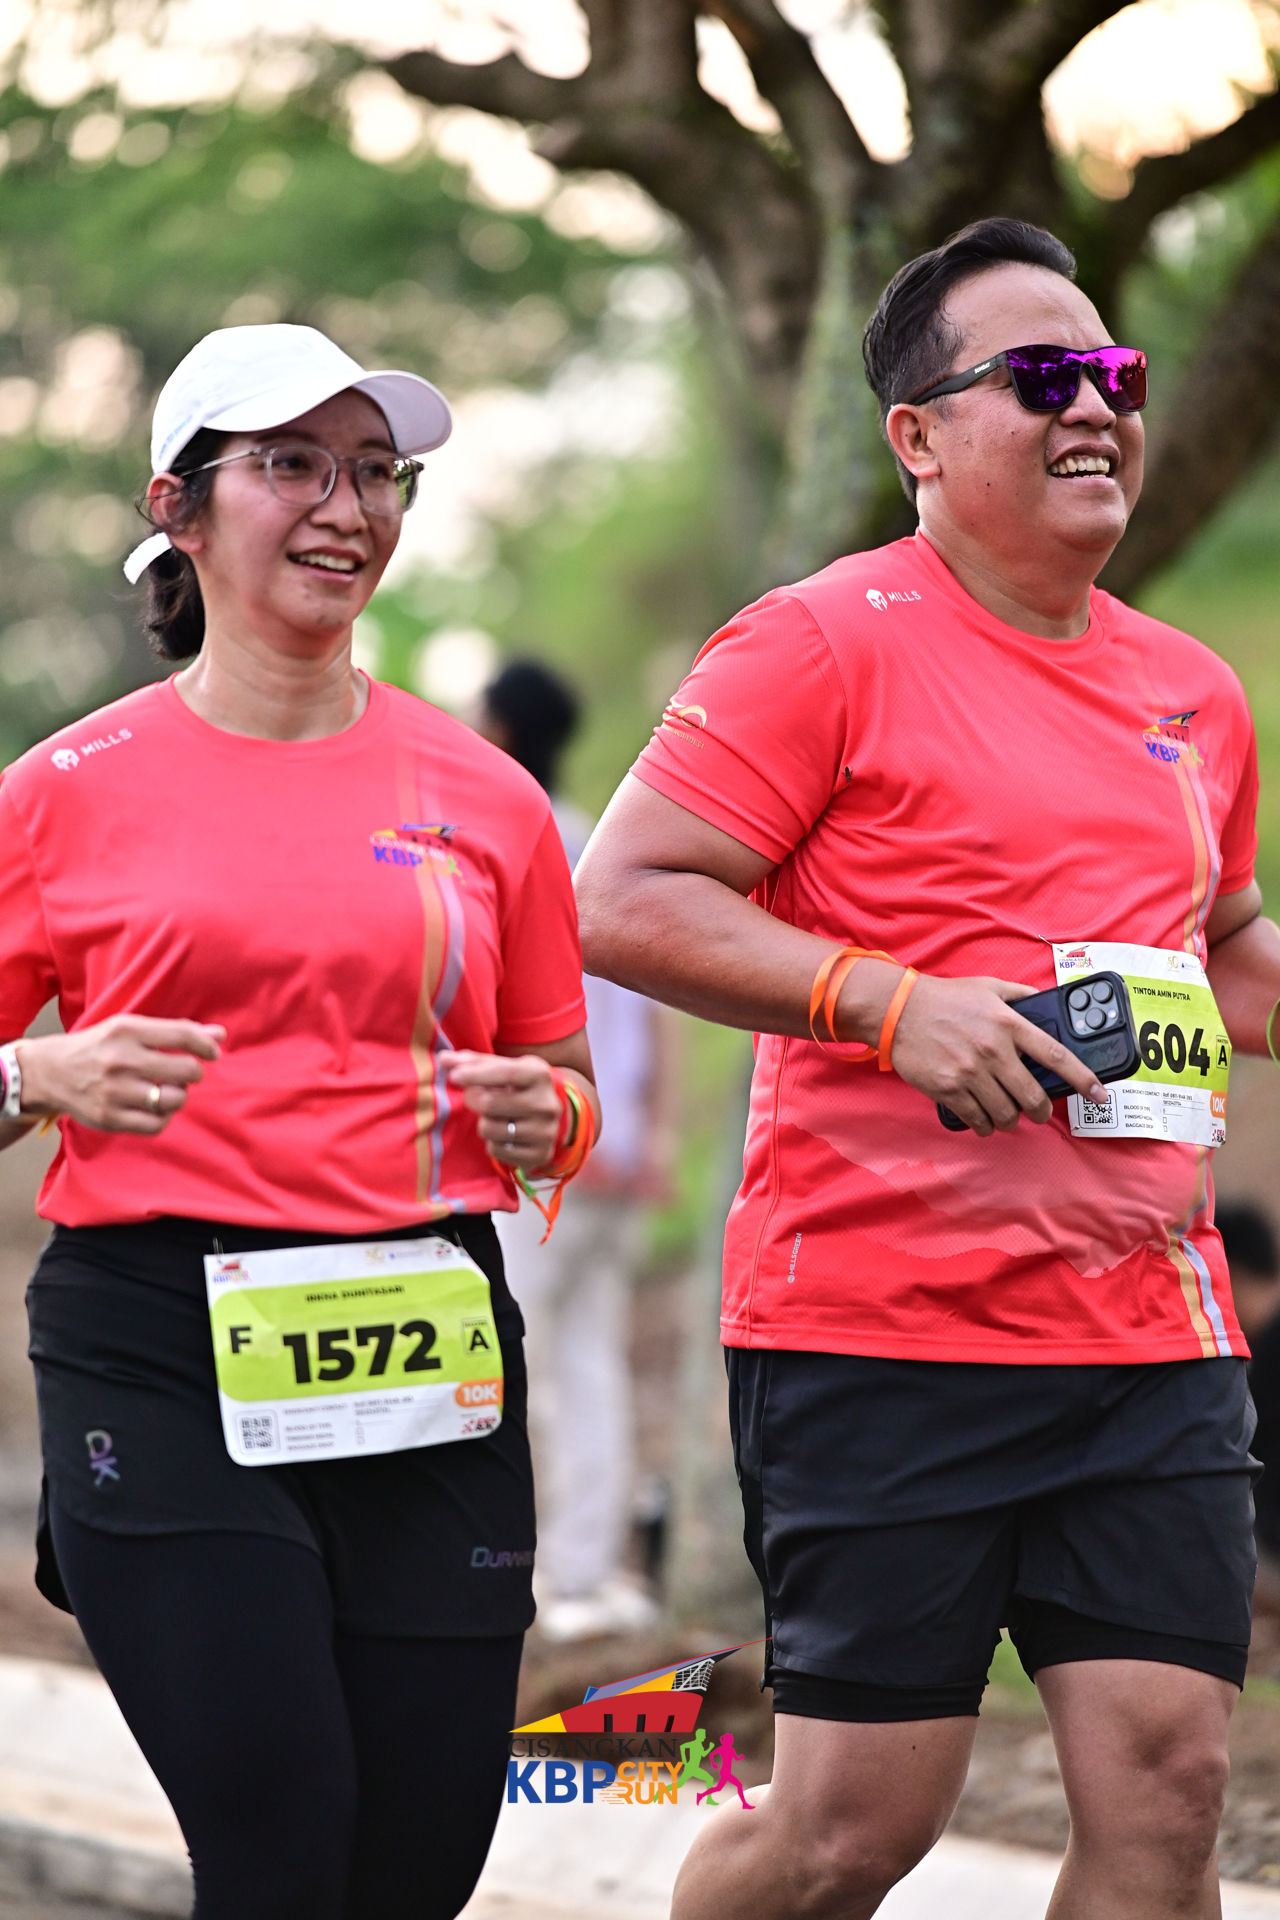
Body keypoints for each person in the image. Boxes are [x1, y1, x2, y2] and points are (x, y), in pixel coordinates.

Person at [575, 217, 1280, 1919]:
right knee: (849, 1832)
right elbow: (622, 896)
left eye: (1113, 372)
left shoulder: (1191, 692)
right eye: (1041, 377)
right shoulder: (820, 643)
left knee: (1170, 1789)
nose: (1095, 406)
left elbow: (1221, 943)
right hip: (883, 1331)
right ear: (917, 435)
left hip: (1148, 1332)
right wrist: (888, 1003)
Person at [0, 322, 599, 1920]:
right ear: (179, 508)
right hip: (160, 1338)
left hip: (423, 1321)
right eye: (292, 466)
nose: (348, 507)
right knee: (278, 1833)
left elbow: (564, 1090)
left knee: (418, 1866)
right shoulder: (62, 787)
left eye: (376, 473)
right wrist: (37, 1077)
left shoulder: (488, 797)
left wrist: (543, 1117)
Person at [478, 660, 675, 1640]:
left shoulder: (507, 839)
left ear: (505, 730)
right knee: (590, 1360)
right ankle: (582, 1573)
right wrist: (651, 1132)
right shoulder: (597, 836)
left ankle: (521, 1568)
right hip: (616, 1141)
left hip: (548, 1144)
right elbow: (652, 1002)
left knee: (514, 1357)